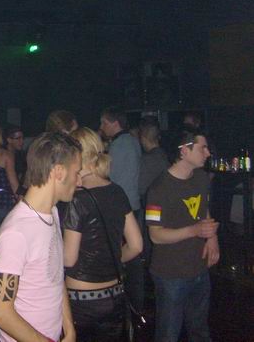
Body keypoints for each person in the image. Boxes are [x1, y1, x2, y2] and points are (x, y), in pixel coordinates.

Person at [0, 132, 82, 342]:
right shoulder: (17, 232)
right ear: (58, 172)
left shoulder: (52, 213)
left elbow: (55, 276)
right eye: (76, 172)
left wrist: (69, 328)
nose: (79, 181)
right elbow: (1, 313)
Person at [63, 128, 143, 341]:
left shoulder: (77, 199)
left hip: (81, 298)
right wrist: (111, 258)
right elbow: (136, 245)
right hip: (114, 293)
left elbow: (68, 258)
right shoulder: (117, 191)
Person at [146, 129, 219, 342]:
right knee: (168, 335)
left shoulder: (201, 178)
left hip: (199, 267)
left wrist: (212, 237)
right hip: (171, 274)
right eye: (202, 148)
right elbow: (155, 235)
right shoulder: (158, 189)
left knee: (200, 331)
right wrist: (194, 231)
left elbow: (203, 210)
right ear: (184, 151)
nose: (208, 153)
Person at [99, 106, 144, 312]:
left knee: (126, 255)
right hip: (133, 203)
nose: (101, 127)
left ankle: (130, 303)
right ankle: (136, 302)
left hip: (121, 207)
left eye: (104, 123)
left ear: (115, 123)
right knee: (133, 257)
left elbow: (109, 177)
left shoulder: (118, 146)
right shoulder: (133, 141)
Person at [4, 125, 26, 193]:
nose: (22, 141)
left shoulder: (21, 155)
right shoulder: (3, 155)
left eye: (23, 138)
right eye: (18, 138)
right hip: (7, 191)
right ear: (9, 140)